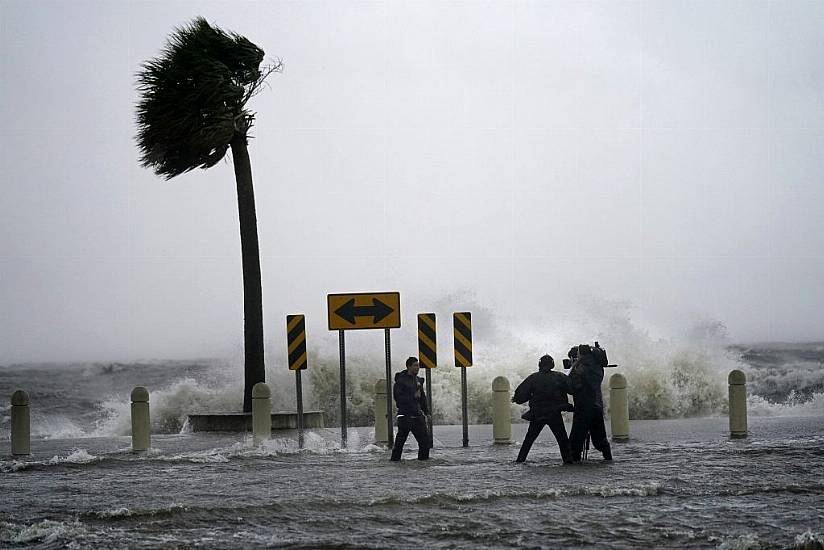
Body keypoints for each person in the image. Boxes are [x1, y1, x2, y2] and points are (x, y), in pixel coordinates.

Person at [512, 354, 574, 464]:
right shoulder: (560, 376)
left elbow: (520, 396)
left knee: (529, 440)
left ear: (540, 365)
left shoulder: (533, 377)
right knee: (563, 440)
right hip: (554, 413)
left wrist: (516, 399)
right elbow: (572, 389)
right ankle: (568, 462)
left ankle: (520, 460)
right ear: (552, 364)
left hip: (538, 413)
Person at [568, 343, 612, 462]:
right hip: (596, 406)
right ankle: (608, 458)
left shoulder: (579, 367)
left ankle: (575, 461)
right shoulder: (597, 366)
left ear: (579, 354)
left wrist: (573, 368)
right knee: (600, 439)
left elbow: (572, 387)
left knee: (576, 441)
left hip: (583, 407)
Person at [390, 356, 430, 461]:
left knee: (425, 443)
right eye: (415, 365)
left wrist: (427, 412)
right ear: (409, 366)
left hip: (417, 416)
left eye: (418, 366)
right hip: (405, 416)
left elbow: (422, 398)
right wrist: (413, 395)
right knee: (399, 444)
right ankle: (395, 463)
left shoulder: (418, 380)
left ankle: (423, 463)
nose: (418, 368)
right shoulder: (401, 381)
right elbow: (398, 398)